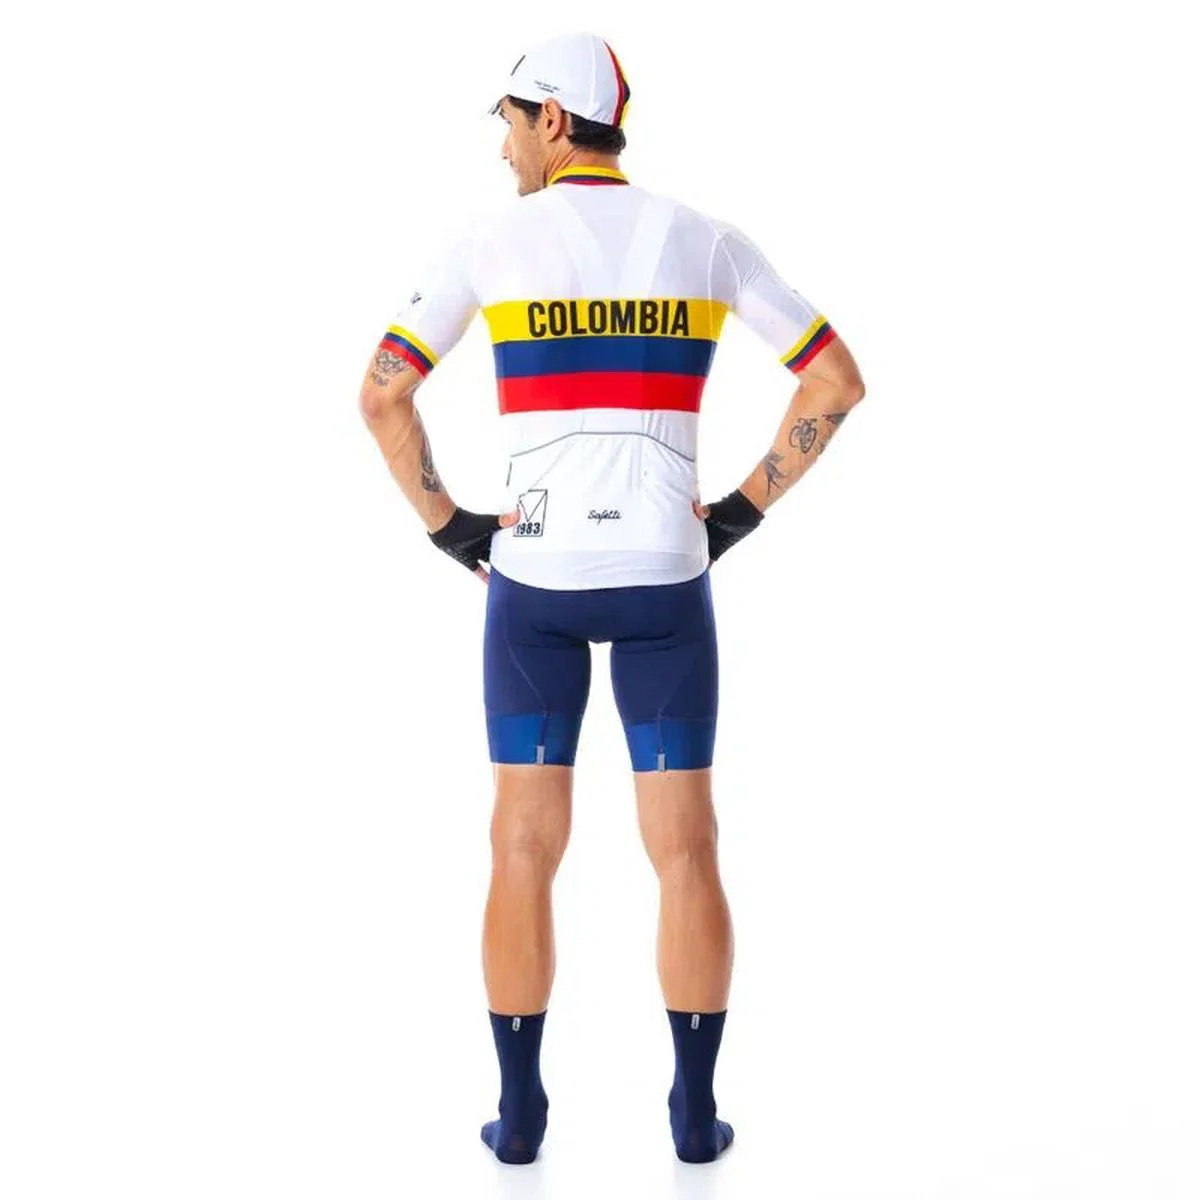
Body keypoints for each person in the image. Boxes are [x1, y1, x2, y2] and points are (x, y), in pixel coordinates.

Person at [359, 31, 866, 1165]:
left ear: (552, 118)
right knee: (686, 848)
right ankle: (693, 1117)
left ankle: (519, 1118)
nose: (502, 147)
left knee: (521, 846)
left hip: (533, 584)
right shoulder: (705, 240)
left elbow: (383, 394)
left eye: (508, 123)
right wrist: (737, 514)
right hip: (663, 583)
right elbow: (835, 381)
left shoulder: (491, 242)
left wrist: (449, 527)